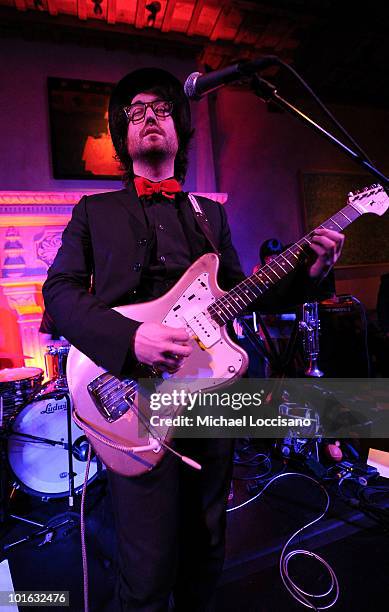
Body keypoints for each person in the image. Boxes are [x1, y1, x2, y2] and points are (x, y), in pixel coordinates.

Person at [42, 67, 345, 611]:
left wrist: (311, 273)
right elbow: (59, 293)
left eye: (160, 108)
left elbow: (243, 292)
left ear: (178, 129)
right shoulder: (94, 212)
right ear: (123, 135)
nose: (149, 117)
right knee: (147, 562)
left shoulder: (212, 214)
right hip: (131, 391)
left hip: (215, 394)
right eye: (135, 112)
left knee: (208, 545)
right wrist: (130, 338)